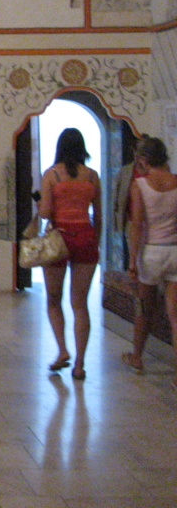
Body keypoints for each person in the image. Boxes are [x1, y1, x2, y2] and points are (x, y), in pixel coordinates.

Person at [39, 127, 101, 381]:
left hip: (59, 237)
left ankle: (63, 350)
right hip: (85, 236)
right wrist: (96, 241)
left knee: (54, 299)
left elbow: (45, 213)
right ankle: (80, 364)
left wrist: (39, 203)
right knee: (80, 303)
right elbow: (99, 214)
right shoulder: (92, 176)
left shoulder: (51, 175)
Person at [121, 136, 177, 388]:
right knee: (175, 316)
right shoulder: (176, 181)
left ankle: (137, 357)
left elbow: (137, 226)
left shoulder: (140, 185)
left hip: (151, 253)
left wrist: (132, 260)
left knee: (144, 309)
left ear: (143, 159)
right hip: (174, 250)